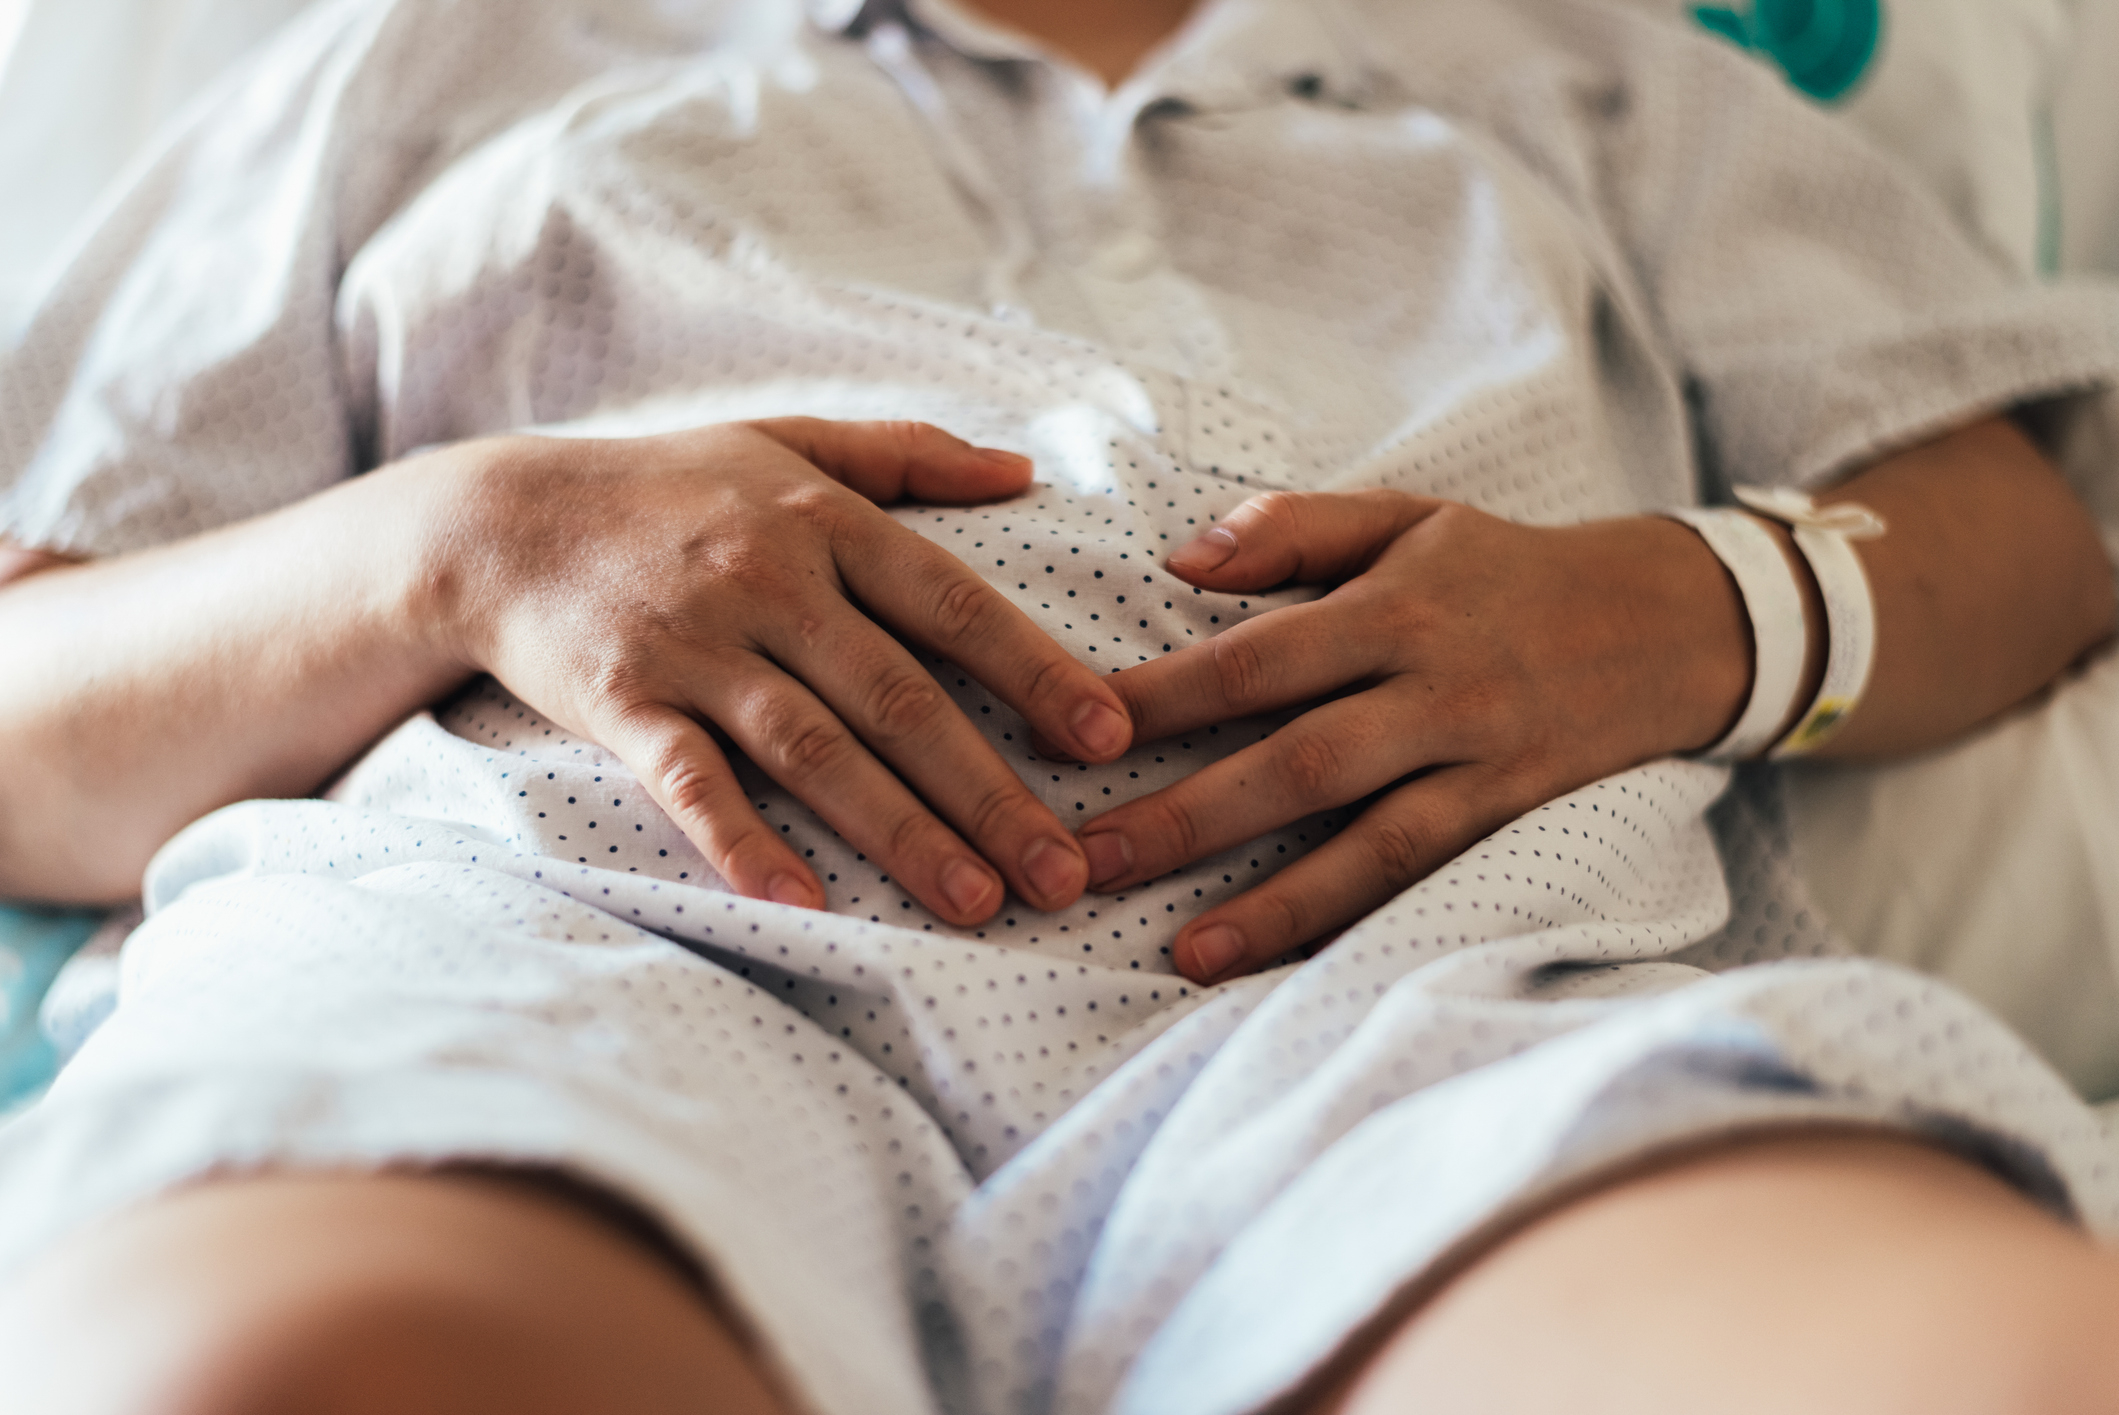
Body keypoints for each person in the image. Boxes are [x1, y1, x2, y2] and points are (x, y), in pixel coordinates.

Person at [3, 0, 2119, 1409]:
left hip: (1420, 1009)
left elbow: (2010, 530)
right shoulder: (442, 51)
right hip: (558, 945)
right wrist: (468, 537)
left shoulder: (1574, 58)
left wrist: (1689, 605)